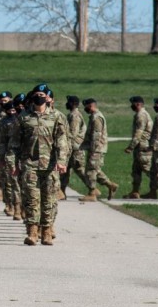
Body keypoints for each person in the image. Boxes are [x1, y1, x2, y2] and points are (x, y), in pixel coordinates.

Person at [10, 83, 69, 245]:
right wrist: (13, 163)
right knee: (31, 199)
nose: (39, 98)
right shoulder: (23, 117)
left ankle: (47, 231)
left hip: (50, 166)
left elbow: (62, 141)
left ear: (48, 98)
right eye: (37, 94)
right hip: (29, 165)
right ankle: (32, 231)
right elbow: (15, 143)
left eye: (42, 95)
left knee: (49, 199)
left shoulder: (57, 116)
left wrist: (62, 160)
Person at [79, 98, 118, 201]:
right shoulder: (93, 116)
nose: (85, 108)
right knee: (95, 169)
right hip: (96, 148)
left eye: (86, 106)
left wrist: (93, 151)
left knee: (91, 171)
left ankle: (92, 194)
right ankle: (111, 185)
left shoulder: (96, 118)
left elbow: (96, 136)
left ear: (91, 106)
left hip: (96, 149)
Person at [123, 96, 152, 198]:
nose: (132, 106)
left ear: (139, 104)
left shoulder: (141, 115)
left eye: (133, 103)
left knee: (147, 168)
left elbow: (138, 134)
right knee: (136, 170)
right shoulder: (139, 114)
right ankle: (135, 191)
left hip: (143, 146)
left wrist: (130, 147)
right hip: (139, 147)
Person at [63, 95, 87, 197]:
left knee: (79, 170)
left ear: (73, 104)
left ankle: (93, 188)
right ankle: (61, 191)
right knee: (64, 170)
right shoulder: (72, 114)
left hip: (75, 148)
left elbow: (72, 133)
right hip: (71, 147)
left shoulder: (74, 116)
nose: (66, 103)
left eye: (68, 102)